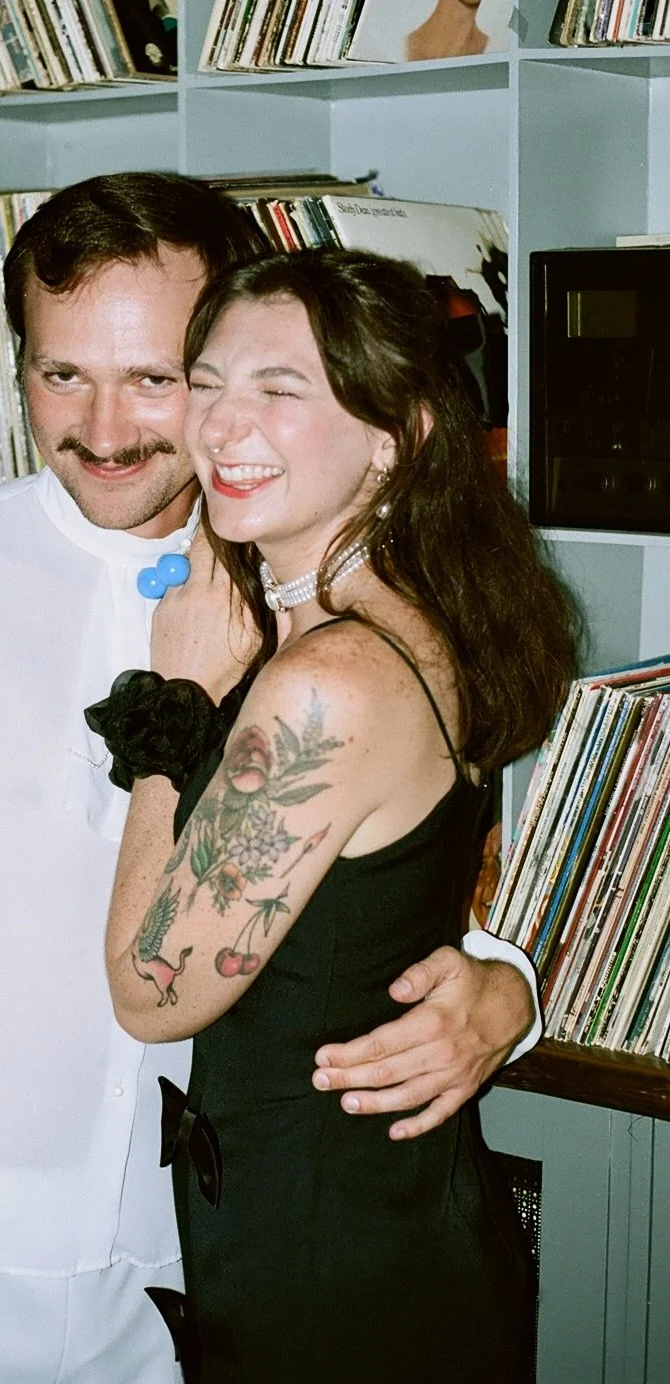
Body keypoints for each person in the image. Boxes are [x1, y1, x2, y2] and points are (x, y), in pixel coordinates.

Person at [0, 175, 539, 1384]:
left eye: (154, 378)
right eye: (60, 376)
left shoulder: (295, 579)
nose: (101, 428)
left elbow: (407, 854)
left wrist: (499, 983)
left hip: (168, 1274)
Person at [98, 247, 580, 1382]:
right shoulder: (417, 616)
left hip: (332, 1281)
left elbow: (149, 990)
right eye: (207, 383)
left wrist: (174, 713)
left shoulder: (323, 684)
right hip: (378, 1231)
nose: (222, 426)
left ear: (395, 438)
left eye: (281, 390)